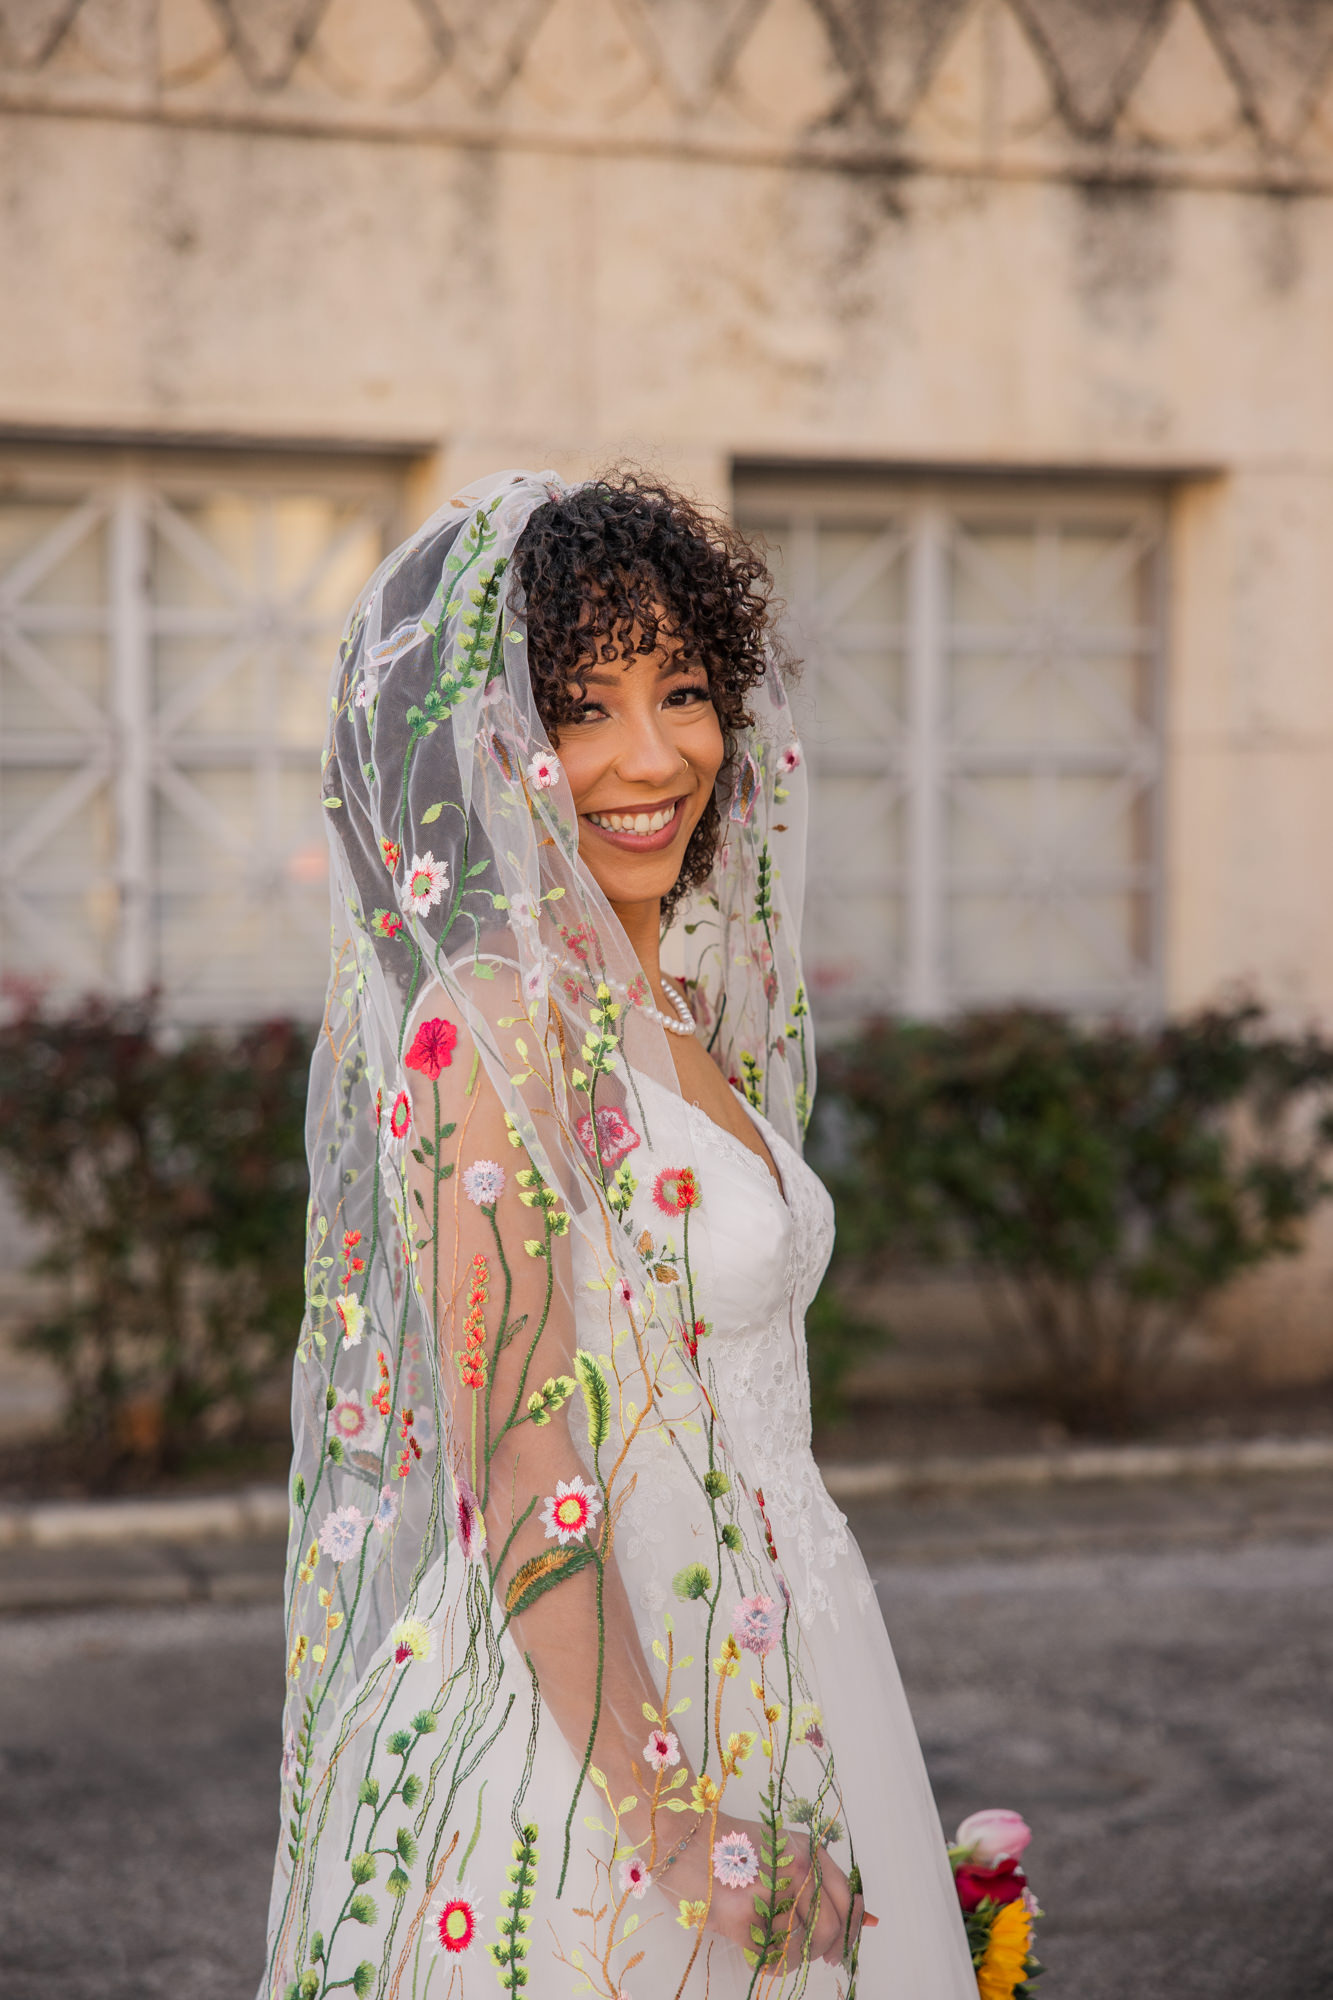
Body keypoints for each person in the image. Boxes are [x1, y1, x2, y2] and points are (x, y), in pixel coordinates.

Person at [262, 470, 977, 1999]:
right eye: (580, 709)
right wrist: (671, 1827)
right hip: (602, 1729)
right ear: (492, 752)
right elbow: (515, 1450)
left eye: (683, 691)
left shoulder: (668, 1011)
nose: (651, 756)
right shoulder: (500, 1025)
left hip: (788, 1643)